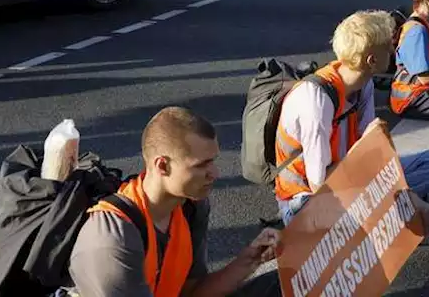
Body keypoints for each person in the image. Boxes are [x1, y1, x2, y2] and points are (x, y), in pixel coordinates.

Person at [69, 107, 281, 297]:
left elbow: (192, 292)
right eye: (201, 165)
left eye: (213, 161)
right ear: (163, 166)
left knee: (276, 283)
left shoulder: (190, 206)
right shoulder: (112, 239)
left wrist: (250, 260)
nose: (215, 173)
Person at [273, 10, 429, 228]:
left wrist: (395, 187)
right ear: (372, 60)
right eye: (388, 47)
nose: (394, 51)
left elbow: (369, 149)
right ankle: (389, 211)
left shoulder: (364, 83)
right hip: (306, 197)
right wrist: (392, 190)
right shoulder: (316, 100)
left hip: (351, 177)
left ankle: (389, 209)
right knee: (378, 212)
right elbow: (320, 185)